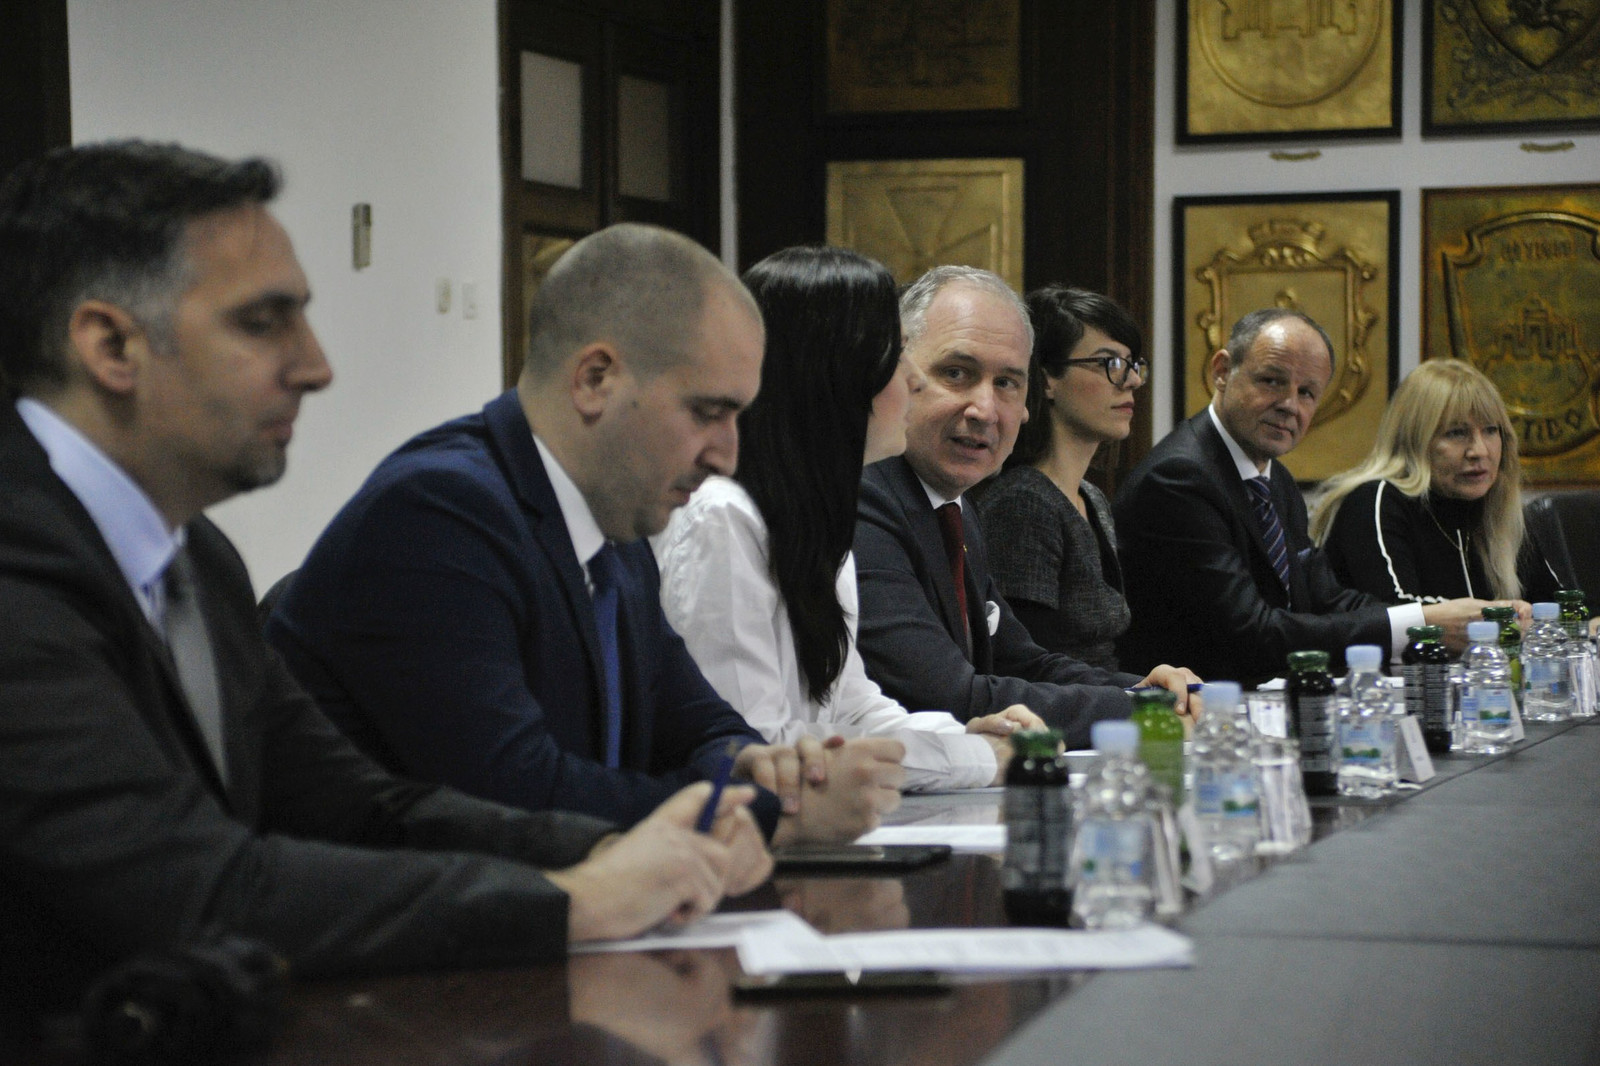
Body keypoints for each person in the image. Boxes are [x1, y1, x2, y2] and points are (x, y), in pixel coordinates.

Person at [0, 142, 771, 1016]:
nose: (316, 366)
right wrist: (570, 901)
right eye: (263, 322)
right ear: (111, 345)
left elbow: (359, 807)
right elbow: (197, 889)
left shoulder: (196, 557)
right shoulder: (19, 566)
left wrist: (601, 849)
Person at [268, 224, 903, 844]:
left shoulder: (614, 523)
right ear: (595, 379)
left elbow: (700, 724)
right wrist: (771, 815)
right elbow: (519, 795)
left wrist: (757, 768)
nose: (727, 456)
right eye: (708, 412)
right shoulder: (438, 513)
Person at [655, 247, 1044, 792]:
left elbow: (854, 709)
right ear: (834, 374)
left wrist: (967, 740)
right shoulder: (723, 518)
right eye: (897, 355)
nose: (913, 379)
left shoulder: (816, 516)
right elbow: (758, 749)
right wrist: (975, 759)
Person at [852, 265, 1200, 751]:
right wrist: (1141, 712)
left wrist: (1146, 690)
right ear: (896, 374)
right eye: (956, 373)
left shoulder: (955, 506)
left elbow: (1021, 660)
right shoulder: (866, 499)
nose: (984, 409)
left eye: (1007, 383)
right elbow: (950, 696)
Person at [1114, 308, 1490, 686]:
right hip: (1187, 710)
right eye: (1272, 381)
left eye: (1307, 392)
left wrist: (1432, 624)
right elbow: (1252, 634)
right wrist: (1419, 624)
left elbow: (1327, 600)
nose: (1290, 405)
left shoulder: (1274, 479)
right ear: (1222, 371)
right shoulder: (1179, 478)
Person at [974, 286, 1145, 671]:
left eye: (1133, 364)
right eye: (1109, 363)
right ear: (1047, 377)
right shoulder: (1023, 504)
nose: (1132, 380)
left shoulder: (1091, 496)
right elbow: (1028, 666)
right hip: (1061, 706)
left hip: (1102, 695)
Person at [1310, 359, 1560, 606]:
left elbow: (1556, 608)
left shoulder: (1498, 510)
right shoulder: (1374, 501)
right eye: (1457, 433)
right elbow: (1396, 613)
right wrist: (1494, 614)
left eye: (1490, 430)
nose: (1479, 451)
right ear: (1414, 441)